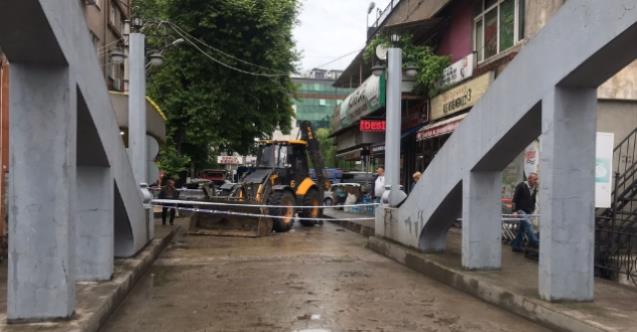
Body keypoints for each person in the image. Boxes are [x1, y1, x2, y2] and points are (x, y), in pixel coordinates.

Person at [511, 172, 539, 252]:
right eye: (535, 179)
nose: (537, 181)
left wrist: (532, 209)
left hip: (528, 211)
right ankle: (536, 242)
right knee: (528, 226)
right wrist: (514, 211)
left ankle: (516, 246)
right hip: (521, 210)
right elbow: (514, 199)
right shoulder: (521, 186)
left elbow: (533, 200)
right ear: (529, 179)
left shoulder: (534, 188)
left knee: (522, 230)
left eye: (537, 179)